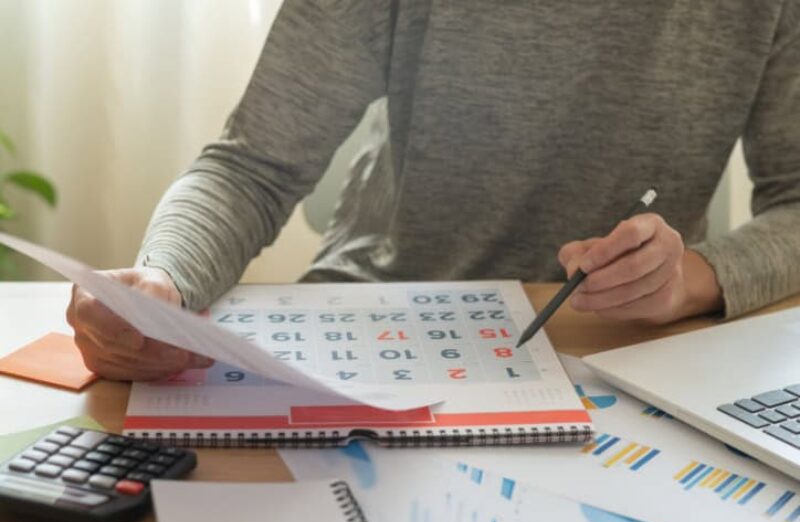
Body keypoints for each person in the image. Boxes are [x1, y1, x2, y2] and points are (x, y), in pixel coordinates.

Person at [67, 1, 800, 381]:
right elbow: (252, 165)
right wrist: (164, 280)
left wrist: (690, 281)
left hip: (627, 356)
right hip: (376, 328)